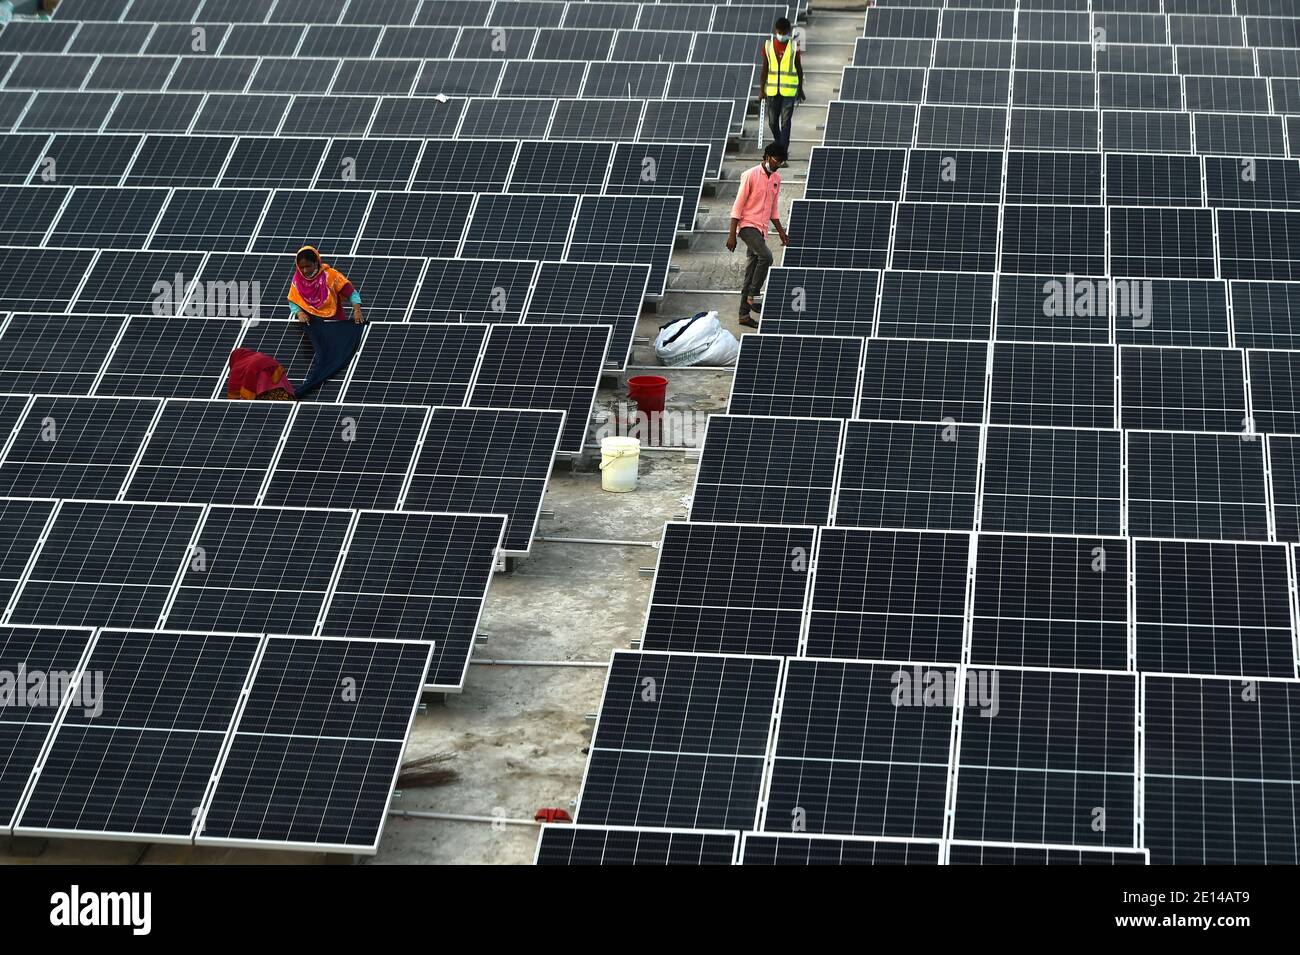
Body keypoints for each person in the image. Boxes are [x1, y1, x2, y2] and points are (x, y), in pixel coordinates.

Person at [726, 142, 789, 328]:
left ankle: (743, 315)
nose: (778, 165)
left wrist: (781, 232)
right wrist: (732, 234)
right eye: (776, 160)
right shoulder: (750, 175)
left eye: (781, 162)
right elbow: (738, 206)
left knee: (751, 272)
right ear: (767, 156)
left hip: (762, 229)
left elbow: (773, 210)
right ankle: (754, 294)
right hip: (747, 226)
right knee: (766, 257)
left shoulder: (776, 179)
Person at [759, 17, 804, 150]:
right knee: (772, 123)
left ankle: (782, 150)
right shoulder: (768, 46)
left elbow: (799, 68)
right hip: (772, 91)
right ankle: (780, 144)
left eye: (784, 33)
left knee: (785, 122)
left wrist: (800, 89)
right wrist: (761, 90)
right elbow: (765, 69)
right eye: (780, 32)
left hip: (788, 92)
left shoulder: (794, 46)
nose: (782, 35)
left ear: (788, 31)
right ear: (776, 31)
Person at [287, 245, 364, 324]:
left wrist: (357, 311)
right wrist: (299, 313)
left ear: (316, 262)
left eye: (308, 266)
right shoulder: (298, 279)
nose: (305, 270)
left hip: (334, 322)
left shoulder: (331, 275)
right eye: (301, 267)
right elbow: (293, 299)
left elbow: (352, 293)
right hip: (310, 324)